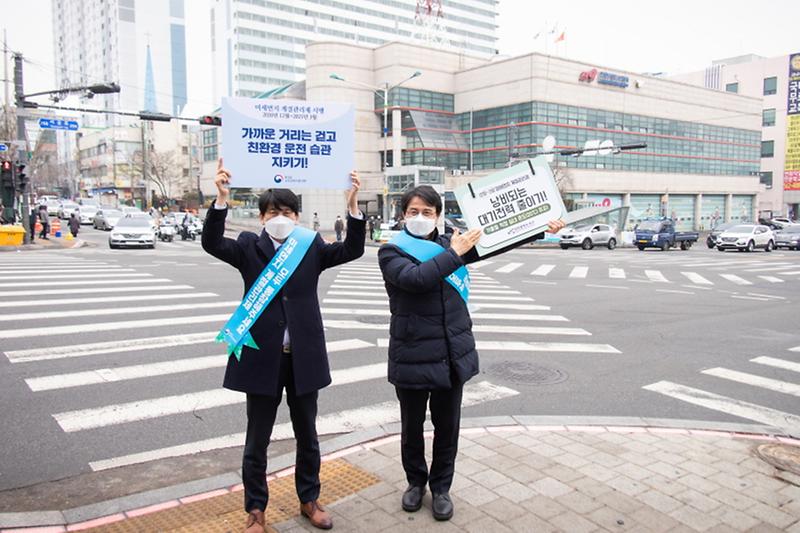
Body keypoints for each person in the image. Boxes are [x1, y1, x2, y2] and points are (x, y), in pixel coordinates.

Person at [378, 185, 564, 522]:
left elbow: (498, 241)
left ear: (438, 215)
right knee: (412, 427)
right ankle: (415, 483)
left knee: (448, 427)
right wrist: (455, 252)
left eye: (427, 212)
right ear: (403, 215)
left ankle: (442, 488)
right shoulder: (392, 252)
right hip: (412, 352)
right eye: (413, 211)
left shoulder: (453, 244)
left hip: (452, 352)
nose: (420, 217)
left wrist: (540, 228)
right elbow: (416, 279)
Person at [202, 158, 365, 533]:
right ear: (262, 217)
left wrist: (353, 205)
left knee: (308, 435)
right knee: (256, 440)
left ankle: (309, 499)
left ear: (297, 216)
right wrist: (221, 199)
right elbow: (212, 243)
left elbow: (351, 250)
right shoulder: (248, 246)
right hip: (263, 358)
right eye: (274, 212)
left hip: (303, 357)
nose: (281, 218)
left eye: (288, 212)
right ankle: (256, 510)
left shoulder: (310, 246)